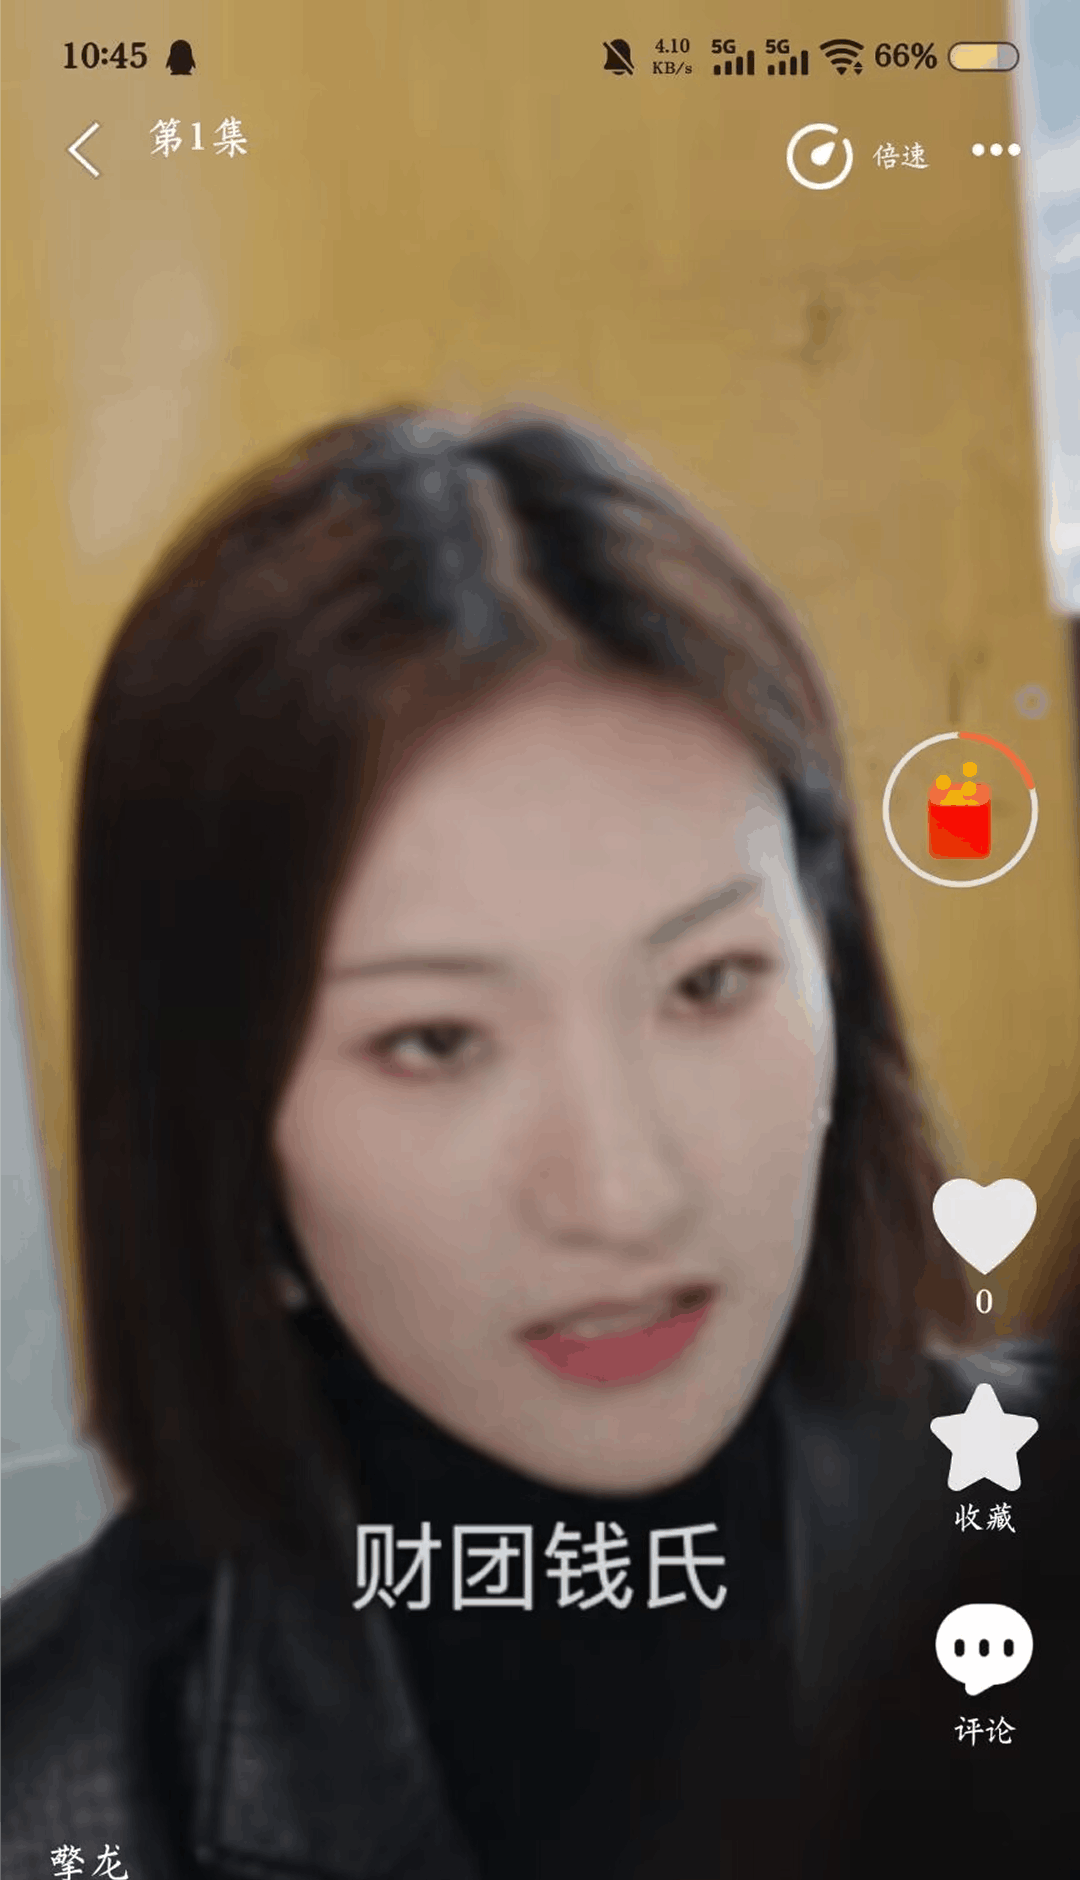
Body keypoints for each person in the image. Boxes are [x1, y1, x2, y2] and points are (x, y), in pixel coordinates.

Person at [2, 405, 1071, 1880]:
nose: (622, 1193)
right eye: (436, 1042)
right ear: (218, 1117)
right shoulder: (56, 1792)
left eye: (709, 984)